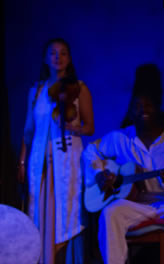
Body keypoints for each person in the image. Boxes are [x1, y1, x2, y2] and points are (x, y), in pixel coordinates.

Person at [82, 65, 164, 264]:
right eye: (138, 106)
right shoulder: (120, 138)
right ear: (131, 111)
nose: (142, 111)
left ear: (157, 109)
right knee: (110, 212)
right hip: (135, 205)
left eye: (148, 106)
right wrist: (99, 173)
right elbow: (90, 151)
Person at [17, 38, 94, 264]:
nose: (57, 58)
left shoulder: (79, 88)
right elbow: (28, 131)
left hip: (67, 159)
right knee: (41, 211)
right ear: (45, 58)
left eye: (63, 53)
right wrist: (22, 161)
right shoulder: (36, 90)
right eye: (53, 53)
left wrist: (73, 126)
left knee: (67, 210)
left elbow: (90, 127)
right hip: (40, 161)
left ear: (69, 59)